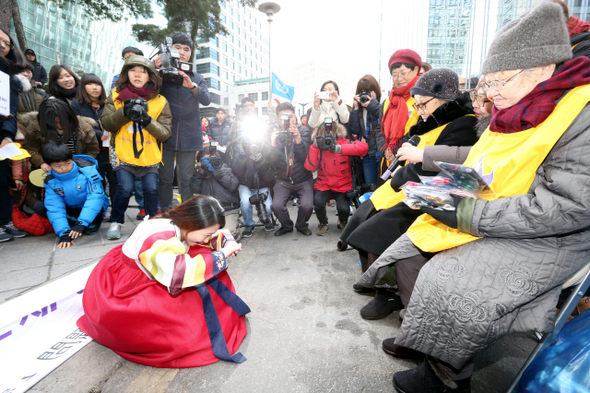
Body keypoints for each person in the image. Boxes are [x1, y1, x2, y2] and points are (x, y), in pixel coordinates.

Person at [356, 3, 590, 391]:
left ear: (542, 70)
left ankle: (449, 377)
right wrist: (445, 191)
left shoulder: (579, 110)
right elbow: (486, 165)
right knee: (410, 243)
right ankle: (431, 353)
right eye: (487, 81)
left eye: (498, 82)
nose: (490, 93)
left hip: (555, 234)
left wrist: (468, 211)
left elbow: (566, 206)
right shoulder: (521, 105)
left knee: (447, 278)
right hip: (504, 207)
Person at [341, 69, 478, 321]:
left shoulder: (464, 123)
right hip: (410, 186)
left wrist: (406, 174)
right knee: (366, 215)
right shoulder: (428, 119)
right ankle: (376, 282)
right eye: (417, 105)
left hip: (434, 191)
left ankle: (388, 291)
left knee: (381, 226)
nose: (420, 110)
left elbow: (453, 165)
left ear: (443, 99)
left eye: (423, 104)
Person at [77, 195, 248, 368]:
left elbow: (214, 233)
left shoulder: (176, 222)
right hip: (128, 289)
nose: (207, 238)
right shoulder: (160, 239)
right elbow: (180, 274)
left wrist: (227, 242)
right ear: (193, 222)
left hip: (128, 271)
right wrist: (223, 253)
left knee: (206, 257)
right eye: (207, 234)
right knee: (186, 328)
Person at [101, 55, 172, 240]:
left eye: (142, 71)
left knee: (151, 189)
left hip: (150, 154)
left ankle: (152, 222)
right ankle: (116, 221)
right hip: (123, 152)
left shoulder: (160, 101)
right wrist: (125, 112)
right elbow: (107, 123)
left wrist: (146, 120)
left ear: (151, 76)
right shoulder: (116, 96)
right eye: (133, 70)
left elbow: (165, 133)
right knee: (124, 188)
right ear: (126, 74)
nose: (137, 74)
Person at [156, 31, 211, 211]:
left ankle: (186, 211)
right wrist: (154, 68)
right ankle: (166, 210)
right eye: (177, 47)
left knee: (186, 178)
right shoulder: (161, 74)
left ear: (190, 53)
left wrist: (192, 87)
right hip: (165, 134)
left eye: (186, 49)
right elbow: (148, 92)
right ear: (169, 49)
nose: (182, 52)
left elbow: (206, 100)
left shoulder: (197, 77)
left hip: (189, 136)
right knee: (164, 177)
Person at [40, 142, 108, 249]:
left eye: (67, 163)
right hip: (71, 208)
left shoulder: (88, 171)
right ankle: (71, 225)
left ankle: (90, 223)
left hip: (91, 207)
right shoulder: (50, 180)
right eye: (57, 166)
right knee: (41, 206)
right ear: (49, 165)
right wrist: (64, 233)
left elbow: (95, 198)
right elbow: (55, 207)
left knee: (98, 202)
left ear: (71, 159)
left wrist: (82, 223)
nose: (63, 168)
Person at [305, 121, 368, 236]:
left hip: (342, 185)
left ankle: (343, 222)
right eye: (322, 134)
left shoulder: (344, 142)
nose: (326, 138)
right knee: (318, 202)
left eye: (329, 134)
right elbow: (309, 167)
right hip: (324, 184)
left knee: (344, 209)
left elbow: (363, 148)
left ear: (336, 132)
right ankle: (323, 224)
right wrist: (314, 146)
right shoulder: (317, 147)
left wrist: (340, 148)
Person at [0, 28, 30, 242]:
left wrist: (7, 136)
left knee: (1, 181)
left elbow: (9, 110)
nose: (3, 45)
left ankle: (4, 221)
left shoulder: (9, 77)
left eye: (7, 43)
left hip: (1, 135)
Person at [228, 107, 275, 237]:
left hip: (263, 184)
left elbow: (270, 176)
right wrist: (244, 155)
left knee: (269, 205)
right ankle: (249, 224)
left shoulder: (266, 148)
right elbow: (236, 171)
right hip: (246, 184)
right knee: (245, 202)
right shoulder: (240, 147)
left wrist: (260, 161)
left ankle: (267, 219)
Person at [268, 102, 314, 236]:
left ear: (294, 117)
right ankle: (287, 226)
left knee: (307, 206)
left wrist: (298, 139)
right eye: (283, 117)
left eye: (290, 117)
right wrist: (273, 145)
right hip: (283, 179)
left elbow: (306, 158)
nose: (287, 121)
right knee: (276, 206)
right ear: (277, 119)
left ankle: (301, 225)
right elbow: (270, 162)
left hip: (303, 178)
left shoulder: (303, 130)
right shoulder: (274, 132)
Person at [71, 73, 117, 205]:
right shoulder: (76, 104)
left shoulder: (109, 103)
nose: (94, 88)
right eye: (90, 84)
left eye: (97, 84)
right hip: (92, 151)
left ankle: (116, 212)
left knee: (115, 181)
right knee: (97, 181)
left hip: (111, 149)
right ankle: (100, 209)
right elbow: (76, 124)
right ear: (83, 87)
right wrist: (98, 134)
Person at [22, 98, 99, 172]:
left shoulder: (84, 128)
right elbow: (30, 149)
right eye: (55, 123)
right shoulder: (35, 129)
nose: (61, 125)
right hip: (48, 171)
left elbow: (93, 150)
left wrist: (80, 164)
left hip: (78, 169)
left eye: (64, 122)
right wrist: (41, 163)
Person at [381, 49, 422, 165]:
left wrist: (396, 152)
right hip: (388, 160)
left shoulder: (422, 98)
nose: (399, 79)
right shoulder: (388, 101)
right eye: (395, 74)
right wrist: (385, 150)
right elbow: (379, 129)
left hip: (411, 161)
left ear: (416, 69)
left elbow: (419, 131)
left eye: (403, 73)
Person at [349, 75, 385, 189]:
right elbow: (355, 129)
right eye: (363, 92)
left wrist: (371, 105)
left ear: (376, 89)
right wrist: (355, 108)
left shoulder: (384, 102)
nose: (367, 94)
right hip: (368, 154)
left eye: (370, 91)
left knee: (384, 186)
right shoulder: (360, 108)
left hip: (384, 153)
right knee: (371, 187)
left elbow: (385, 118)